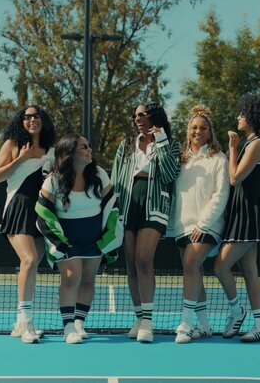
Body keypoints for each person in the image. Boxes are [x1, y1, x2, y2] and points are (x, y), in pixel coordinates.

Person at [34, 133, 121, 344]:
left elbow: (112, 206)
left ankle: (79, 322)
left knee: (88, 280)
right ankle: (68, 326)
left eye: (89, 146)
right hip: (67, 240)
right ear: (70, 154)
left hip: (94, 239)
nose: (89, 150)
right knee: (72, 277)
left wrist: (108, 237)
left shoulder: (99, 174)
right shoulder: (53, 180)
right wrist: (58, 243)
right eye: (83, 147)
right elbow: (42, 213)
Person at [213, 93, 260, 343]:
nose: (239, 117)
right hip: (238, 211)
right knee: (249, 271)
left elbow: (235, 178)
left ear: (254, 117)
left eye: (243, 113)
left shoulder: (257, 145)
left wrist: (232, 148)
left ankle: (237, 311)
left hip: (248, 213)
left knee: (220, 267)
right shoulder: (249, 143)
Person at [110, 102, 180, 343]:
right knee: (131, 265)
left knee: (143, 259)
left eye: (142, 114)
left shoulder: (170, 144)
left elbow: (169, 175)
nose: (137, 118)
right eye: (135, 115)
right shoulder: (126, 144)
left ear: (154, 116)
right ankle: (139, 318)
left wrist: (161, 141)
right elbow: (116, 177)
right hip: (127, 204)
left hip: (154, 206)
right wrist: (112, 209)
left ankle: (148, 321)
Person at [0, 105, 56, 344]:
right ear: (21, 121)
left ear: (43, 120)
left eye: (36, 116)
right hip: (18, 207)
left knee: (32, 265)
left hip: (41, 211)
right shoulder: (12, 144)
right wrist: (22, 159)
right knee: (29, 260)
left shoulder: (51, 150)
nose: (32, 120)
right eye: (27, 117)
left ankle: (20, 323)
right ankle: (25, 320)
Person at [169, 105, 229, 344]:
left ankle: (185, 323)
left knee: (191, 263)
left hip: (208, 226)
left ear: (210, 132)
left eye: (203, 128)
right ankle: (204, 325)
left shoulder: (219, 159)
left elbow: (221, 194)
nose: (198, 131)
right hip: (182, 227)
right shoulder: (181, 160)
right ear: (188, 131)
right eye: (194, 127)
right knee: (193, 271)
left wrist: (203, 224)